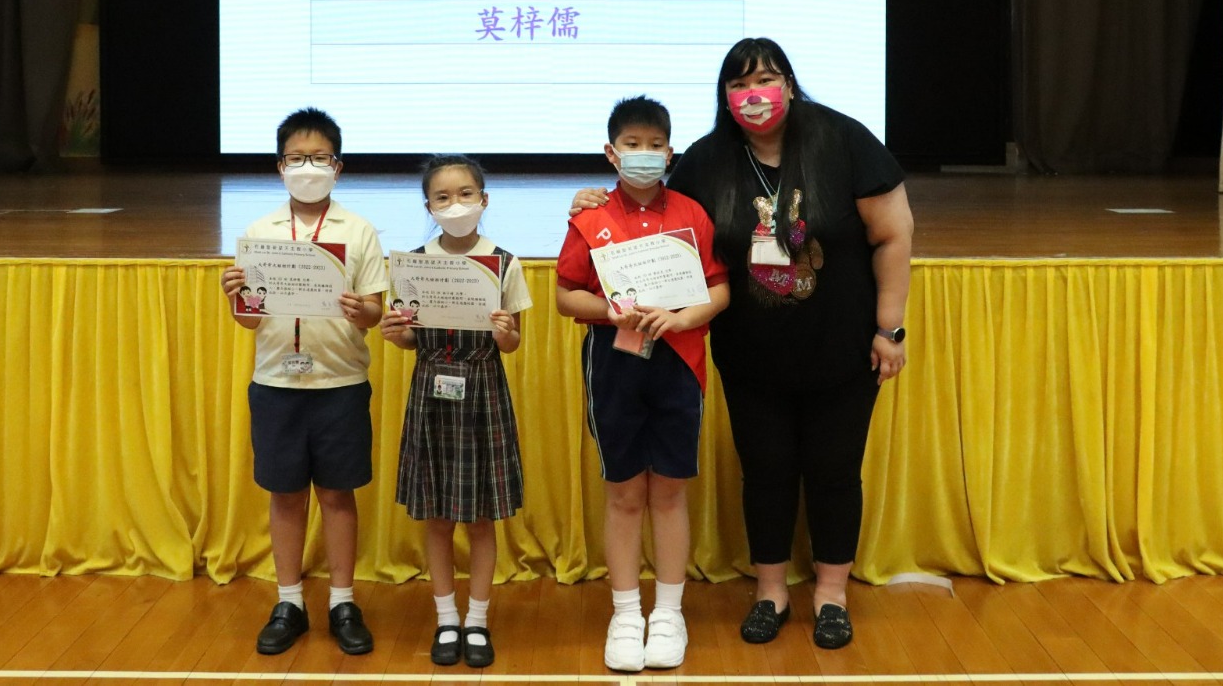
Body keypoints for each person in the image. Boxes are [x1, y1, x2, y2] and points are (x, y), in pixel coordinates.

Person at [579, 38, 912, 650]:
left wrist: (888, 329)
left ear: (789, 84)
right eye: (739, 85)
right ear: (725, 97)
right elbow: (656, 221)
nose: (753, 95)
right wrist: (593, 199)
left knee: (835, 471)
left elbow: (893, 235)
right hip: (750, 354)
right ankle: (770, 592)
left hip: (842, 348)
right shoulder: (707, 161)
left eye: (765, 79)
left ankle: (832, 595)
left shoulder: (843, 139)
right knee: (765, 471)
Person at [555, 97, 730, 673]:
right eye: (633, 145)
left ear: (670, 153)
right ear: (612, 152)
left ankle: (670, 613)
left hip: (679, 362)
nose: (644, 154)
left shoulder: (692, 214)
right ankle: (627, 614)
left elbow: (719, 288)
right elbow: (565, 296)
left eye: (655, 145)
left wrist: (682, 318)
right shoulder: (590, 218)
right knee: (625, 495)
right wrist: (611, 311)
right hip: (614, 364)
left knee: (671, 493)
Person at [219, 108, 388, 657]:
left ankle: (343, 602)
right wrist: (234, 298)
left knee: (338, 494)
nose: (307, 167)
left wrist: (360, 309)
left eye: (319, 158)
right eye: (297, 158)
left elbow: (375, 312)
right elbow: (249, 320)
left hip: (340, 382)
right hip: (275, 382)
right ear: (280, 166)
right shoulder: (259, 234)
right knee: (285, 495)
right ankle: (288, 601)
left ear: (337, 166)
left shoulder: (358, 231)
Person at [380, 155, 530, 669]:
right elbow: (409, 336)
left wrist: (506, 335)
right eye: (442, 197)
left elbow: (512, 343)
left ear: (484, 200)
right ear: (429, 207)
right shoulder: (413, 264)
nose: (455, 204)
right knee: (438, 515)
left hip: (483, 387)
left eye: (466, 194)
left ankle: (478, 620)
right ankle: (446, 618)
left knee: (482, 518)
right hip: (431, 388)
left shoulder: (504, 262)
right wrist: (397, 335)